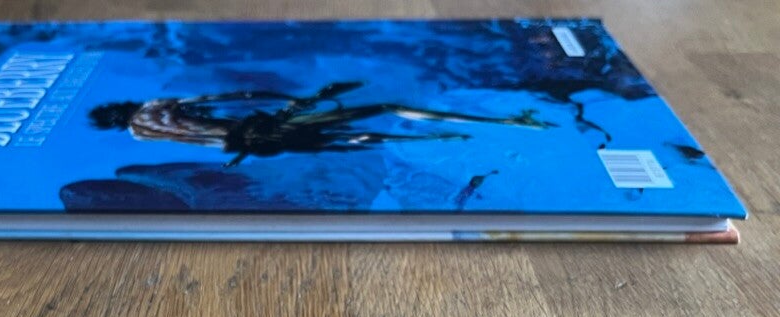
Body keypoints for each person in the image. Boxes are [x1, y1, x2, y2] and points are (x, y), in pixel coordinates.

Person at [89, 81, 553, 166]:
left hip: (250, 146)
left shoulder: (139, 133)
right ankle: (506, 122)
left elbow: (203, 141)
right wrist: (284, 101)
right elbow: (222, 98)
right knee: (384, 105)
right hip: (256, 128)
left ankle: (442, 140)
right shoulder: (154, 105)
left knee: (348, 138)